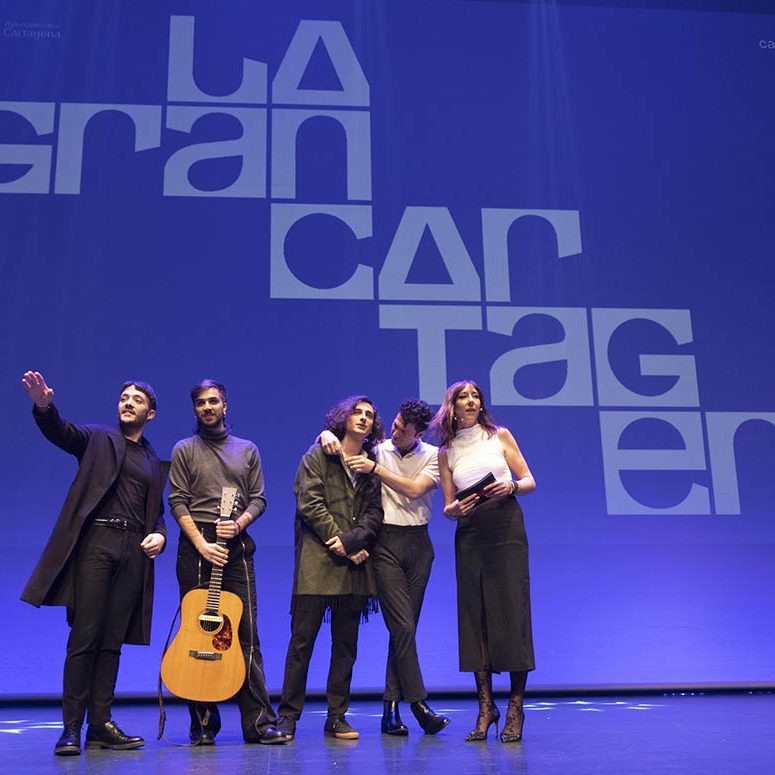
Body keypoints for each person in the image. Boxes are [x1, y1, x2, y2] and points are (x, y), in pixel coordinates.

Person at [20, 371, 166, 756]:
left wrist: (160, 533)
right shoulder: (100, 438)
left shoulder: (152, 458)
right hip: (97, 544)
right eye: (124, 397)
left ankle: (100, 723)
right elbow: (62, 433)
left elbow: (157, 510)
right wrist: (44, 406)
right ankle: (70, 728)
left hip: (133, 551)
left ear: (150, 413)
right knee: (85, 636)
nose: (128, 402)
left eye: (137, 398)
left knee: (112, 642)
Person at [320, 399, 450, 736]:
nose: (394, 431)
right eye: (393, 423)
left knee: (404, 629)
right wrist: (324, 434)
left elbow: (414, 490)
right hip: (386, 544)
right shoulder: (378, 448)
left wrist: (375, 469)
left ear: (418, 434)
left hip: (419, 545)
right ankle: (419, 704)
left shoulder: (433, 456)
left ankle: (391, 709)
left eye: (403, 430)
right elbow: (340, 442)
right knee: (403, 626)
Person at [167, 380, 286, 745]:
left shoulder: (246, 450)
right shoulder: (184, 450)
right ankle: (202, 724)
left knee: (244, 634)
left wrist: (238, 524)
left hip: (235, 544)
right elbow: (177, 502)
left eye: (213, 401)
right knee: (198, 634)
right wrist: (202, 544)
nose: (207, 407)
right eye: (200, 403)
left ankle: (259, 723)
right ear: (195, 409)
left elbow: (259, 499)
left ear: (225, 405)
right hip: (196, 544)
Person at [431, 380, 536, 744]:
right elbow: (446, 506)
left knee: (512, 613)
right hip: (471, 531)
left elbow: (529, 480)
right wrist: (453, 508)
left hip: (505, 526)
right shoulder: (445, 451)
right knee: (476, 618)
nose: (471, 401)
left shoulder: (499, 435)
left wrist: (511, 487)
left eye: (476, 396)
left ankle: (515, 706)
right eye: (464, 397)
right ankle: (485, 707)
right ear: (452, 406)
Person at [277, 396, 384, 741]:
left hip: (353, 568)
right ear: (344, 417)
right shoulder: (319, 454)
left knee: (345, 647)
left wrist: (353, 542)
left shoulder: (370, 465)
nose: (364, 418)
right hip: (317, 564)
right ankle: (288, 717)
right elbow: (309, 501)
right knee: (301, 644)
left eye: (370, 415)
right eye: (358, 412)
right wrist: (339, 541)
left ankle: (337, 716)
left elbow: (375, 512)